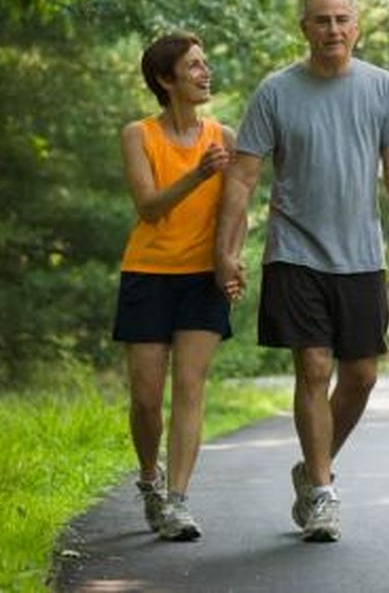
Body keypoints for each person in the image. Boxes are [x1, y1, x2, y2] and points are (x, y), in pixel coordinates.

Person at [215, 0, 389, 543]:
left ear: (356, 27)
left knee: (361, 375)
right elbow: (242, 176)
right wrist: (227, 250)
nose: (332, 29)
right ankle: (324, 494)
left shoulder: (382, 88)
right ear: (304, 28)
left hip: (360, 257)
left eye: (341, 20)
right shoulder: (276, 92)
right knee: (313, 367)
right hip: (295, 252)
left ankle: (312, 469)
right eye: (321, 20)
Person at [112, 32, 234, 541]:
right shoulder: (138, 135)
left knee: (189, 388)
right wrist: (198, 175)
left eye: (205, 64)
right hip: (148, 273)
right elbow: (149, 207)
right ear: (166, 80)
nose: (205, 73)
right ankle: (150, 479)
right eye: (193, 66)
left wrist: (229, 257)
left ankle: (179, 501)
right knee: (145, 397)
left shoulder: (224, 136)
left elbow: (237, 207)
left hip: (202, 279)